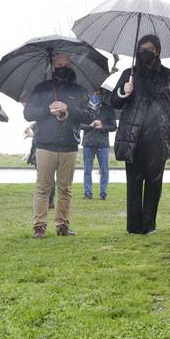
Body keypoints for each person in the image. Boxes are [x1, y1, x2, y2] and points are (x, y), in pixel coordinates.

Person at [110, 34, 170, 235]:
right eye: (142, 49)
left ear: (158, 51)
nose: (145, 53)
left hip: (158, 138)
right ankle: (134, 226)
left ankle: (149, 225)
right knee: (134, 183)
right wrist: (124, 91)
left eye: (150, 49)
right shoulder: (129, 74)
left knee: (154, 183)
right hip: (133, 137)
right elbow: (114, 102)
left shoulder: (169, 76)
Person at [24, 54, 91, 239]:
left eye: (66, 64)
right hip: (45, 144)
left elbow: (89, 115)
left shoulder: (80, 91)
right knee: (43, 188)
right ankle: (39, 226)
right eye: (58, 64)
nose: (62, 67)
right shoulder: (41, 89)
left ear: (71, 65)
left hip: (69, 144)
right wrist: (47, 110)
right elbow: (28, 113)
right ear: (53, 66)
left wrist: (68, 109)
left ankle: (62, 224)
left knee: (65, 189)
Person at [80, 89, 117, 200]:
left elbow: (114, 126)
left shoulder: (108, 108)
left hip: (103, 143)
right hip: (88, 142)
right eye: (95, 93)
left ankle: (103, 193)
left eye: (99, 93)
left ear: (103, 94)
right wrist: (91, 125)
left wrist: (103, 126)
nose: (96, 95)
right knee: (87, 170)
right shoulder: (84, 108)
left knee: (104, 170)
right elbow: (79, 125)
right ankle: (88, 193)